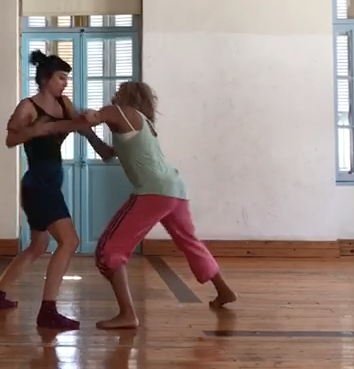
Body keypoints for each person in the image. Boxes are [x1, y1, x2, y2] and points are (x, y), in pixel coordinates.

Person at [45, 81, 238, 329]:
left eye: (120, 90)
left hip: (153, 192)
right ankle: (223, 290)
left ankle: (127, 314)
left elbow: (93, 117)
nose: (115, 93)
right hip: (174, 190)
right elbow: (107, 154)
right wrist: (88, 133)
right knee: (189, 242)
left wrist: (77, 115)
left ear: (129, 96)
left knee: (108, 250)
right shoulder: (141, 122)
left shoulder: (120, 111)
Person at [0, 50, 113, 331]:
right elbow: (10, 139)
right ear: (45, 79)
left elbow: (80, 127)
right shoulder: (28, 107)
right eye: (61, 77)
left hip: (50, 181)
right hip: (38, 183)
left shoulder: (64, 104)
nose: (65, 83)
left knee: (38, 246)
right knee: (70, 241)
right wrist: (35, 131)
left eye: (66, 78)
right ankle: (48, 311)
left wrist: (101, 147)